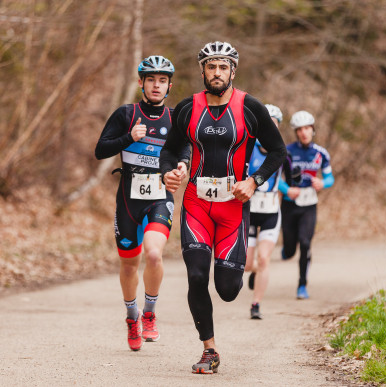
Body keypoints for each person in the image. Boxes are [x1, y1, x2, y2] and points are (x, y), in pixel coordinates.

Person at [159, 41, 286, 374]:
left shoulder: (250, 107)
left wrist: (254, 181)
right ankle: (209, 349)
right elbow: (170, 151)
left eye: (223, 67)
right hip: (196, 205)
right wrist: (169, 172)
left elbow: (277, 151)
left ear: (233, 71)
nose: (217, 73)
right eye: (211, 67)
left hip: (233, 207)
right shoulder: (187, 108)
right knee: (197, 275)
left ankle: (235, 276)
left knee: (228, 290)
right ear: (202, 70)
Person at [95, 55, 189, 351]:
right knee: (128, 265)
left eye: (162, 81)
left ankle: (149, 313)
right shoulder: (126, 114)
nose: (157, 85)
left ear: (169, 85)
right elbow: (100, 150)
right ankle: (132, 316)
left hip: (160, 196)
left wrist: (184, 164)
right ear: (141, 83)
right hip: (128, 200)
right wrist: (127, 137)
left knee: (154, 255)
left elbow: (185, 146)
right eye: (151, 80)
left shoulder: (175, 118)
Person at [279, 110, 334, 300]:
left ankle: (302, 285)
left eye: (307, 128)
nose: (304, 132)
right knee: (290, 249)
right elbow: (276, 179)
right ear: (296, 132)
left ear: (313, 130)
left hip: (309, 204)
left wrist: (322, 183)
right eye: (300, 129)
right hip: (289, 204)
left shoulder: (320, 153)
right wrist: (286, 190)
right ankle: (286, 250)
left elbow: (329, 177)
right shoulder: (286, 152)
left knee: (305, 243)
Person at [245, 104, 284, 320]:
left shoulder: (281, 152)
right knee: (248, 264)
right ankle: (253, 272)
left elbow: (289, 179)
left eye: (274, 124)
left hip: (270, 211)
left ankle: (256, 304)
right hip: (250, 211)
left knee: (264, 259)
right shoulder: (249, 150)